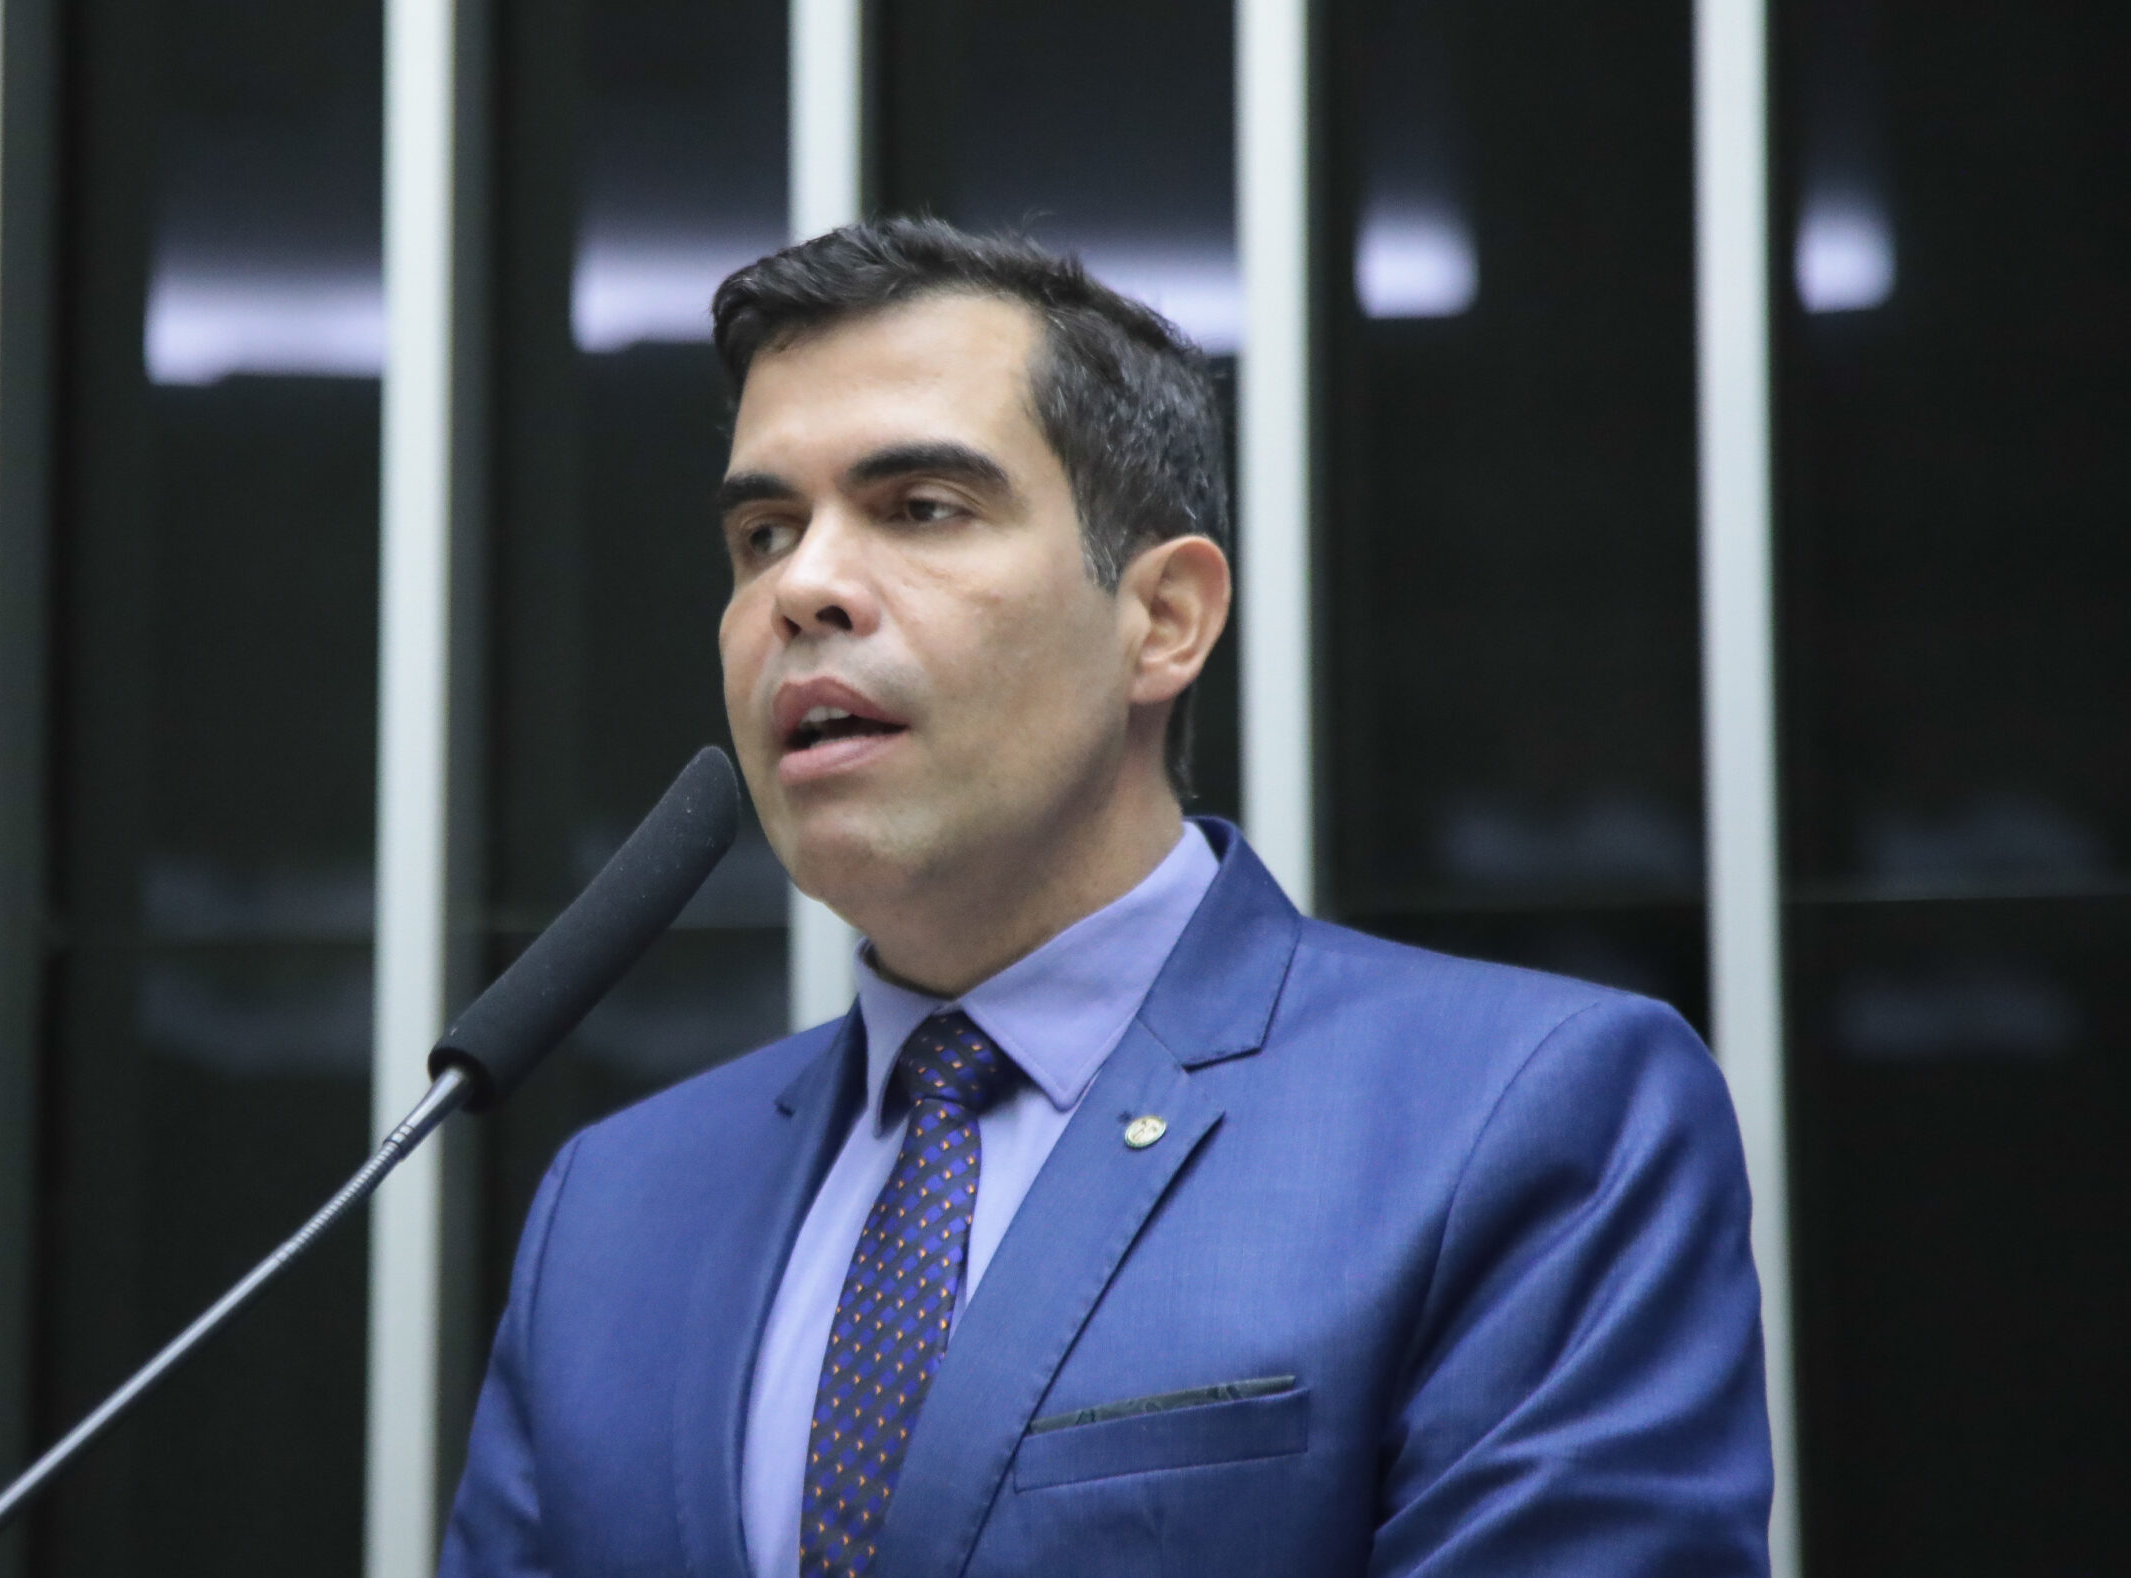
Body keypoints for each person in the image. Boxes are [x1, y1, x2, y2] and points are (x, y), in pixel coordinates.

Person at [441, 218, 1771, 1578]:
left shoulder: (1525, 1114)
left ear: (1165, 619)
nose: (805, 587)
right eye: (764, 532)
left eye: (921, 508)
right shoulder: (612, 1209)